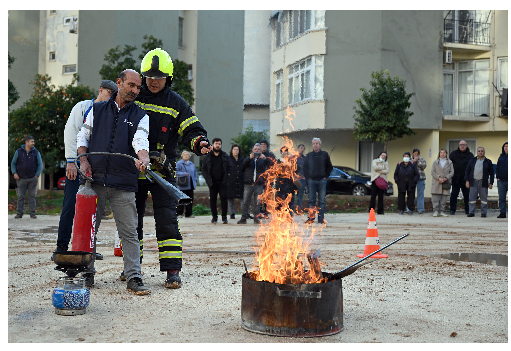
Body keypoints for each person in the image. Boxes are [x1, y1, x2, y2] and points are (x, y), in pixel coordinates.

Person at [133, 48, 211, 289]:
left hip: (163, 173)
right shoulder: (133, 98)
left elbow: (192, 129)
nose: (154, 81)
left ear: (168, 78)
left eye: (159, 77)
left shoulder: (176, 103)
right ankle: (132, 269)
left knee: (167, 220)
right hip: (133, 170)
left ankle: (172, 272)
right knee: (131, 222)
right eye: (149, 76)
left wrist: (199, 143)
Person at [76, 69, 151, 295]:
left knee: (129, 232)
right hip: (94, 179)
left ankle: (134, 277)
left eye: (138, 88)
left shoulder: (141, 115)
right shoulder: (97, 109)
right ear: (119, 83)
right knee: (89, 230)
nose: (135, 91)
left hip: (124, 183)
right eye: (131, 85)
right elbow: (83, 136)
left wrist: (143, 158)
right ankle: (87, 272)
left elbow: (141, 141)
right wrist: (83, 159)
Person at [53, 80, 117, 257]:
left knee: (93, 210)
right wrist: (71, 161)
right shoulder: (83, 107)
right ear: (101, 90)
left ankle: (87, 248)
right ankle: (62, 246)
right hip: (78, 165)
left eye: (114, 95)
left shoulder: (110, 113)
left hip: (97, 169)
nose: (111, 97)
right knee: (70, 206)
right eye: (109, 93)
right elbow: (71, 132)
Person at [237, 143, 270, 224]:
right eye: (255, 149)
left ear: (261, 150)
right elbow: (243, 165)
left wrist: (265, 159)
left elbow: (270, 164)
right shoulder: (249, 159)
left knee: (257, 202)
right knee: (246, 201)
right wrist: (249, 158)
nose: (256, 151)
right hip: (248, 183)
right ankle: (244, 217)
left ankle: (256, 218)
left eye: (258, 149)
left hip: (259, 184)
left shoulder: (263, 159)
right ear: (252, 150)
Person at [11, 135, 43, 219]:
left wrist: (37, 174)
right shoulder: (18, 151)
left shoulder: (36, 152)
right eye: (32, 141)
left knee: (32, 196)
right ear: (26, 142)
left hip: (33, 178)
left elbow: (40, 164)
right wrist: (14, 172)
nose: (33, 143)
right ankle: (19, 213)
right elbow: (13, 163)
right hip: (20, 178)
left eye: (33, 141)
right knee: (21, 196)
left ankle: (32, 213)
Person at [303, 137, 333, 224]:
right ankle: (311, 218)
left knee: (322, 201)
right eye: (314, 143)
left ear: (320, 145)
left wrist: (326, 176)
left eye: (317, 143)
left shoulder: (324, 154)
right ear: (312, 145)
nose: (315, 145)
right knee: (311, 200)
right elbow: (305, 167)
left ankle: (321, 219)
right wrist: (308, 178)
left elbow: (330, 167)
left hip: (322, 181)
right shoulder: (309, 155)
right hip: (311, 181)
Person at [202, 138, 232, 224]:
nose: (217, 145)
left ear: (221, 145)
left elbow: (230, 168)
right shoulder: (208, 156)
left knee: (224, 199)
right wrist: (207, 179)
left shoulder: (225, 156)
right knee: (213, 200)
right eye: (216, 143)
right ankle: (214, 217)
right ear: (213, 145)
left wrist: (227, 178)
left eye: (219, 144)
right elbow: (203, 169)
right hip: (212, 183)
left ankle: (224, 218)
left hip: (223, 182)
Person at [465, 147, 494, 218]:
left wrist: (491, 183)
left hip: (483, 182)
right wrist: (467, 181)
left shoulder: (488, 161)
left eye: (482, 151)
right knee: (472, 198)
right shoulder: (472, 160)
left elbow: (492, 173)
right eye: (479, 151)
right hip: (473, 182)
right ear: (477, 152)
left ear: (484, 152)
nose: (480, 152)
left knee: (484, 199)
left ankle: (483, 213)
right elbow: (467, 171)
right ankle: (471, 212)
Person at [449, 140, 474, 215]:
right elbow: (449, 166)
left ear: (466, 146)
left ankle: (467, 210)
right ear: (459, 146)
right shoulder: (453, 154)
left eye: (464, 145)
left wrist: (469, 179)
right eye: (461, 145)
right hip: (455, 179)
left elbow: (472, 168)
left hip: (466, 180)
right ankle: (452, 210)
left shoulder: (470, 155)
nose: (462, 146)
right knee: (453, 195)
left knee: (467, 196)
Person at [275, 146, 300, 212]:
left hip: (290, 183)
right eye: (283, 151)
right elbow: (275, 172)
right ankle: (280, 216)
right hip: (281, 183)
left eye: (285, 151)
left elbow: (298, 169)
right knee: (280, 200)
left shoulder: (292, 161)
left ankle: (289, 216)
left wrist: (291, 166)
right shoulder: (278, 161)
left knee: (290, 199)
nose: (284, 153)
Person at [430, 149, 454, 217]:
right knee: (435, 198)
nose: (442, 154)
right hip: (437, 182)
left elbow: (452, 172)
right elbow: (432, 172)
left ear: (446, 154)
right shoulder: (435, 162)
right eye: (441, 152)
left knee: (444, 198)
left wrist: (446, 178)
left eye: (444, 153)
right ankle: (435, 211)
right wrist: (439, 178)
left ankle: (441, 211)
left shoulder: (450, 162)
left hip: (446, 182)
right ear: (439, 154)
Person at [176, 150, 198, 218]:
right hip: (182, 185)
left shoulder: (191, 164)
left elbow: (195, 173)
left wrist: (195, 180)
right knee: (181, 199)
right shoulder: (179, 163)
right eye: (184, 154)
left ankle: (189, 213)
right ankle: (179, 213)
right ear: (182, 156)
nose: (186, 155)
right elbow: (176, 172)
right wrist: (184, 174)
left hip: (190, 184)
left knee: (190, 199)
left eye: (187, 154)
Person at [226, 144, 245, 220]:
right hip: (231, 181)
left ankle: (244, 213)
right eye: (234, 149)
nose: (236, 151)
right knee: (230, 198)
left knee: (243, 198)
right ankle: (232, 213)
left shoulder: (242, 159)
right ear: (232, 151)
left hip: (241, 181)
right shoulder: (228, 159)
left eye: (237, 150)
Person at [259, 139, 276, 218]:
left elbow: (274, 164)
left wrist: (265, 158)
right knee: (259, 195)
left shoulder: (270, 154)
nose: (263, 146)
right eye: (261, 144)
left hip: (269, 178)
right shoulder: (257, 154)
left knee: (267, 196)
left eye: (264, 145)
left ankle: (266, 212)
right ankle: (259, 212)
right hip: (259, 178)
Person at [412, 148, 427, 214]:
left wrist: (418, 161)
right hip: (412, 179)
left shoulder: (422, 159)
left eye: (417, 153)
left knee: (420, 193)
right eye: (415, 153)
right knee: (411, 193)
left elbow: (424, 166)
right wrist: (414, 161)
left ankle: (420, 209)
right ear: (413, 153)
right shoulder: (409, 159)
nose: (416, 154)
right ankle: (410, 208)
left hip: (421, 178)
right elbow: (408, 165)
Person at [496, 142, 508, 218]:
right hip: (501, 181)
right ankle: (502, 213)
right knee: (502, 198)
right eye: (505, 146)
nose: (506, 148)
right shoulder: (501, 157)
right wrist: (497, 177)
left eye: (508, 146)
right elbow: (497, 168)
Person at [295, 144, 307, 212]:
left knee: (300, 195)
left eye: (303, 148)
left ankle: (298, 209)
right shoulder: (294, 158)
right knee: (291, 195)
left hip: (302, 179)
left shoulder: (305, 159)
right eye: (301, 148)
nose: (302, 149)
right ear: (298, 148)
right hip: (294, 179)